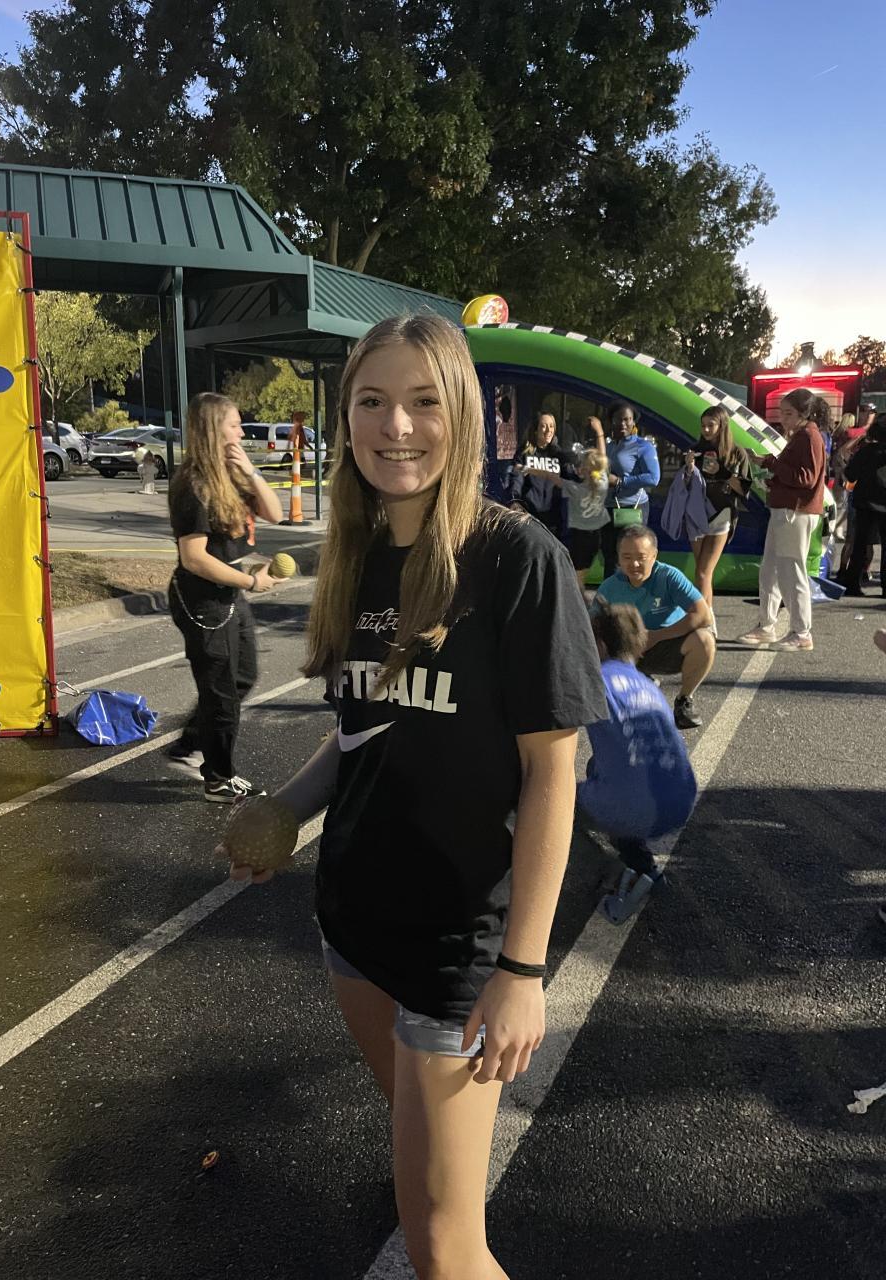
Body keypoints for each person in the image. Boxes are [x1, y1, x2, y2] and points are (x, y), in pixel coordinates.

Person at [225, 315, 606, 1280]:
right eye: (373, 401)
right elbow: (362, 731)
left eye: (424, 401)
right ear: (346, 417)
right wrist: (287, 808)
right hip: (354, 924)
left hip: (459, 949)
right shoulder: (355, 555)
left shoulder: (517, 560)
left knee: (443, 1249)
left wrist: (521, 969)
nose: (397, 426)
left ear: (463, 415)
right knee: (428, 1173)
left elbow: (554, 772)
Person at [166, 391, 284, 801]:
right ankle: (218, 779)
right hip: (202, 599)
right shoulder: (192, 485)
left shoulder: (231, 475)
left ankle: (190, 745)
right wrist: (250, 582)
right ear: (214, 430)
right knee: (220, 692)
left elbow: (275, 513)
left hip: (228, 592)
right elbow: (194, 558)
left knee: (242, 676)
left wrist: (250, 471)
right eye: (234, 425)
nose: (241, 432)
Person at [579, 604, 697, 923]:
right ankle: (644, 867)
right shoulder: (648, 686)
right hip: (680, 801)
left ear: (600, 644)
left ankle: (610, 873)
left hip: (634, 807)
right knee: (597, 768)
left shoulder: (597, 681)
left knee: (546, 803)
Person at [592, 525, 715, 730]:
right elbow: (590, 628)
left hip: (665, 646)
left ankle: (684, 701)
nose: (634, 564)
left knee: (705, 640)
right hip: (627, 652)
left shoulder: (669, 576)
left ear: (654, 555)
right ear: (618, 558)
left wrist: (656, 636)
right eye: (627, 557)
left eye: (641, 557)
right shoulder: (609, 586)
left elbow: (704, 615)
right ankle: (633, 687)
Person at [738, 388, 827, 652]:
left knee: (790, 572)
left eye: (788, 413)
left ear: (804, 414)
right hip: (787, 510)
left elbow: (806, 478)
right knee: (771, 571)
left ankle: (801, 632)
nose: (783, 419)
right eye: (782, 413)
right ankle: (767, 625)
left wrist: (771, 464)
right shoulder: (803, 435)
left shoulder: (808, 436)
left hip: (794, 512)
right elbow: (801, 477)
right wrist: (772, 475)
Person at [683, 406, 752, 632]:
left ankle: (705, 622)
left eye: (710, 425)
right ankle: (708, 620)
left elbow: (743, 489)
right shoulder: (695, 450)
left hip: (722, 513)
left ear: (722, 426)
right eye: (703, 425)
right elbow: (684, 486)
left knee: (704, 571)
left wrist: (721, 472)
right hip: (696, 513)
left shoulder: (736, 453)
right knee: (702, 572)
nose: (705, 430)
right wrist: (688, 469)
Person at [601, 401, 661, 577]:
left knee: (632, 557)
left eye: (627, 419)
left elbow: (653, 478)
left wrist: (621, 481)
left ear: (634, 421)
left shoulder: (643, 446)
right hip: (610, 508)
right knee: (610, 558)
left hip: (633, 508)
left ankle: (634, 593)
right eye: (618, 419)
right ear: (611, 421)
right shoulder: (609, 446)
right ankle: (611, 594)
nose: (623, 423)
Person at [837, 415, 886, 597]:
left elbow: (850, 475)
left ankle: (853, 584)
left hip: (865, 503)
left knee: (860, 544)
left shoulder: (866, 451)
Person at [508, 411, 571, 537]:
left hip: (553, 518)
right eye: (543, 426)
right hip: (530, 517)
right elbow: (516, 479)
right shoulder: (524, 453)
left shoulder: (558, 454)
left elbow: (570, 476)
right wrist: (515, 501)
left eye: (551, 426)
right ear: (536, 430)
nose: (548, 430)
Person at [559, 442, 610, 587]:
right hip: (596, 535)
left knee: (577, 573)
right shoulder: (603, 481)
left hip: (580, 536)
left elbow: (550, 476)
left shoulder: (576, 489)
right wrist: (599, 433)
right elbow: (602, 459)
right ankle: (580, 595)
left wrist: (528, 469)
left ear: (585, 469)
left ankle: (578, 597)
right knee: (584, 570)